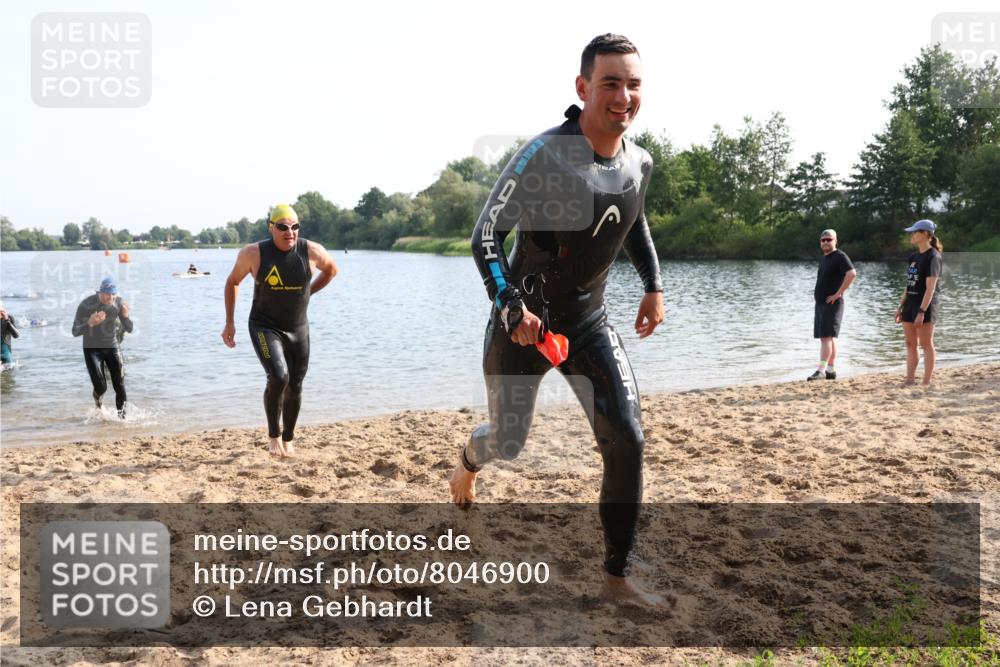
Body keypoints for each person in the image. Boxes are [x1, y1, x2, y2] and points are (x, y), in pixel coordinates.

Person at [451, 34, 668, 606]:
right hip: (522, 324)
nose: (623, 95)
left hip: (589, 324)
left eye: (633, 84)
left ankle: (616, 578)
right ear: (583, 88)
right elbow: (486, 234)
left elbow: (634, 220)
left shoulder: (639, 162)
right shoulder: (546, 155)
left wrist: (653, 285)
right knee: (508, 441)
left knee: (628, 439)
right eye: (610, 83)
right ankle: (468, 462)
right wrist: (509, 304)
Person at [221, 203, 338, 457]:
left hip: (298, 327)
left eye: (295, 227)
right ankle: (273, 436)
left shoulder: (312, 251)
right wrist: (230, 322)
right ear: (271, 228)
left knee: (295, 384)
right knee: (278, 376)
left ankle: (288, 439)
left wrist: (310, 291)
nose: (290, 232)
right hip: (264, 326)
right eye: (283, 227)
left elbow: (332, 270)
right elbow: (233, 282)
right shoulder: (254, 254)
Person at [72, 277, 133, 416]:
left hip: (112, 346)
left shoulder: (119, 303)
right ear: (100, 292)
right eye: (107, 294)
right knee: (101, 387)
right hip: (92, 350)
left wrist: (126, 316)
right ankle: (97, 400)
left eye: (113, 294)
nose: (110, 298)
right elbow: (75, 331)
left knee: (120, 385)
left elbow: (129, 328)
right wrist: (90, 323)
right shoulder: (86, 305)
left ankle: (122, 419)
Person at [895, 219, 943, 386]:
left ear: (924, 234)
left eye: (914, 232)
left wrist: (922, 312)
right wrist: (900, 306)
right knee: (910, 343)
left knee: (925, 343)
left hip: (926, 305)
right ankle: (909, 379)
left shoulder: (933, 257)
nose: (912, 235)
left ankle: (926, 381)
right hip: (910, 303)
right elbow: (909, 285)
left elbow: (930, 289)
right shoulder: (913, 257)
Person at [808, 229, 856, 381]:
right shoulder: (825, 258)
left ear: (836, 241)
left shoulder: (840, 256)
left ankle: (821, 370)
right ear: (820, 242)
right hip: (821, 304)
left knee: (825, 338)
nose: (826, 242)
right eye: (823, 240)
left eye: (829, 239)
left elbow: (852, 273)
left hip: (833, 303)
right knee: (829, 338)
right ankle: (830, 370)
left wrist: (838, 293)